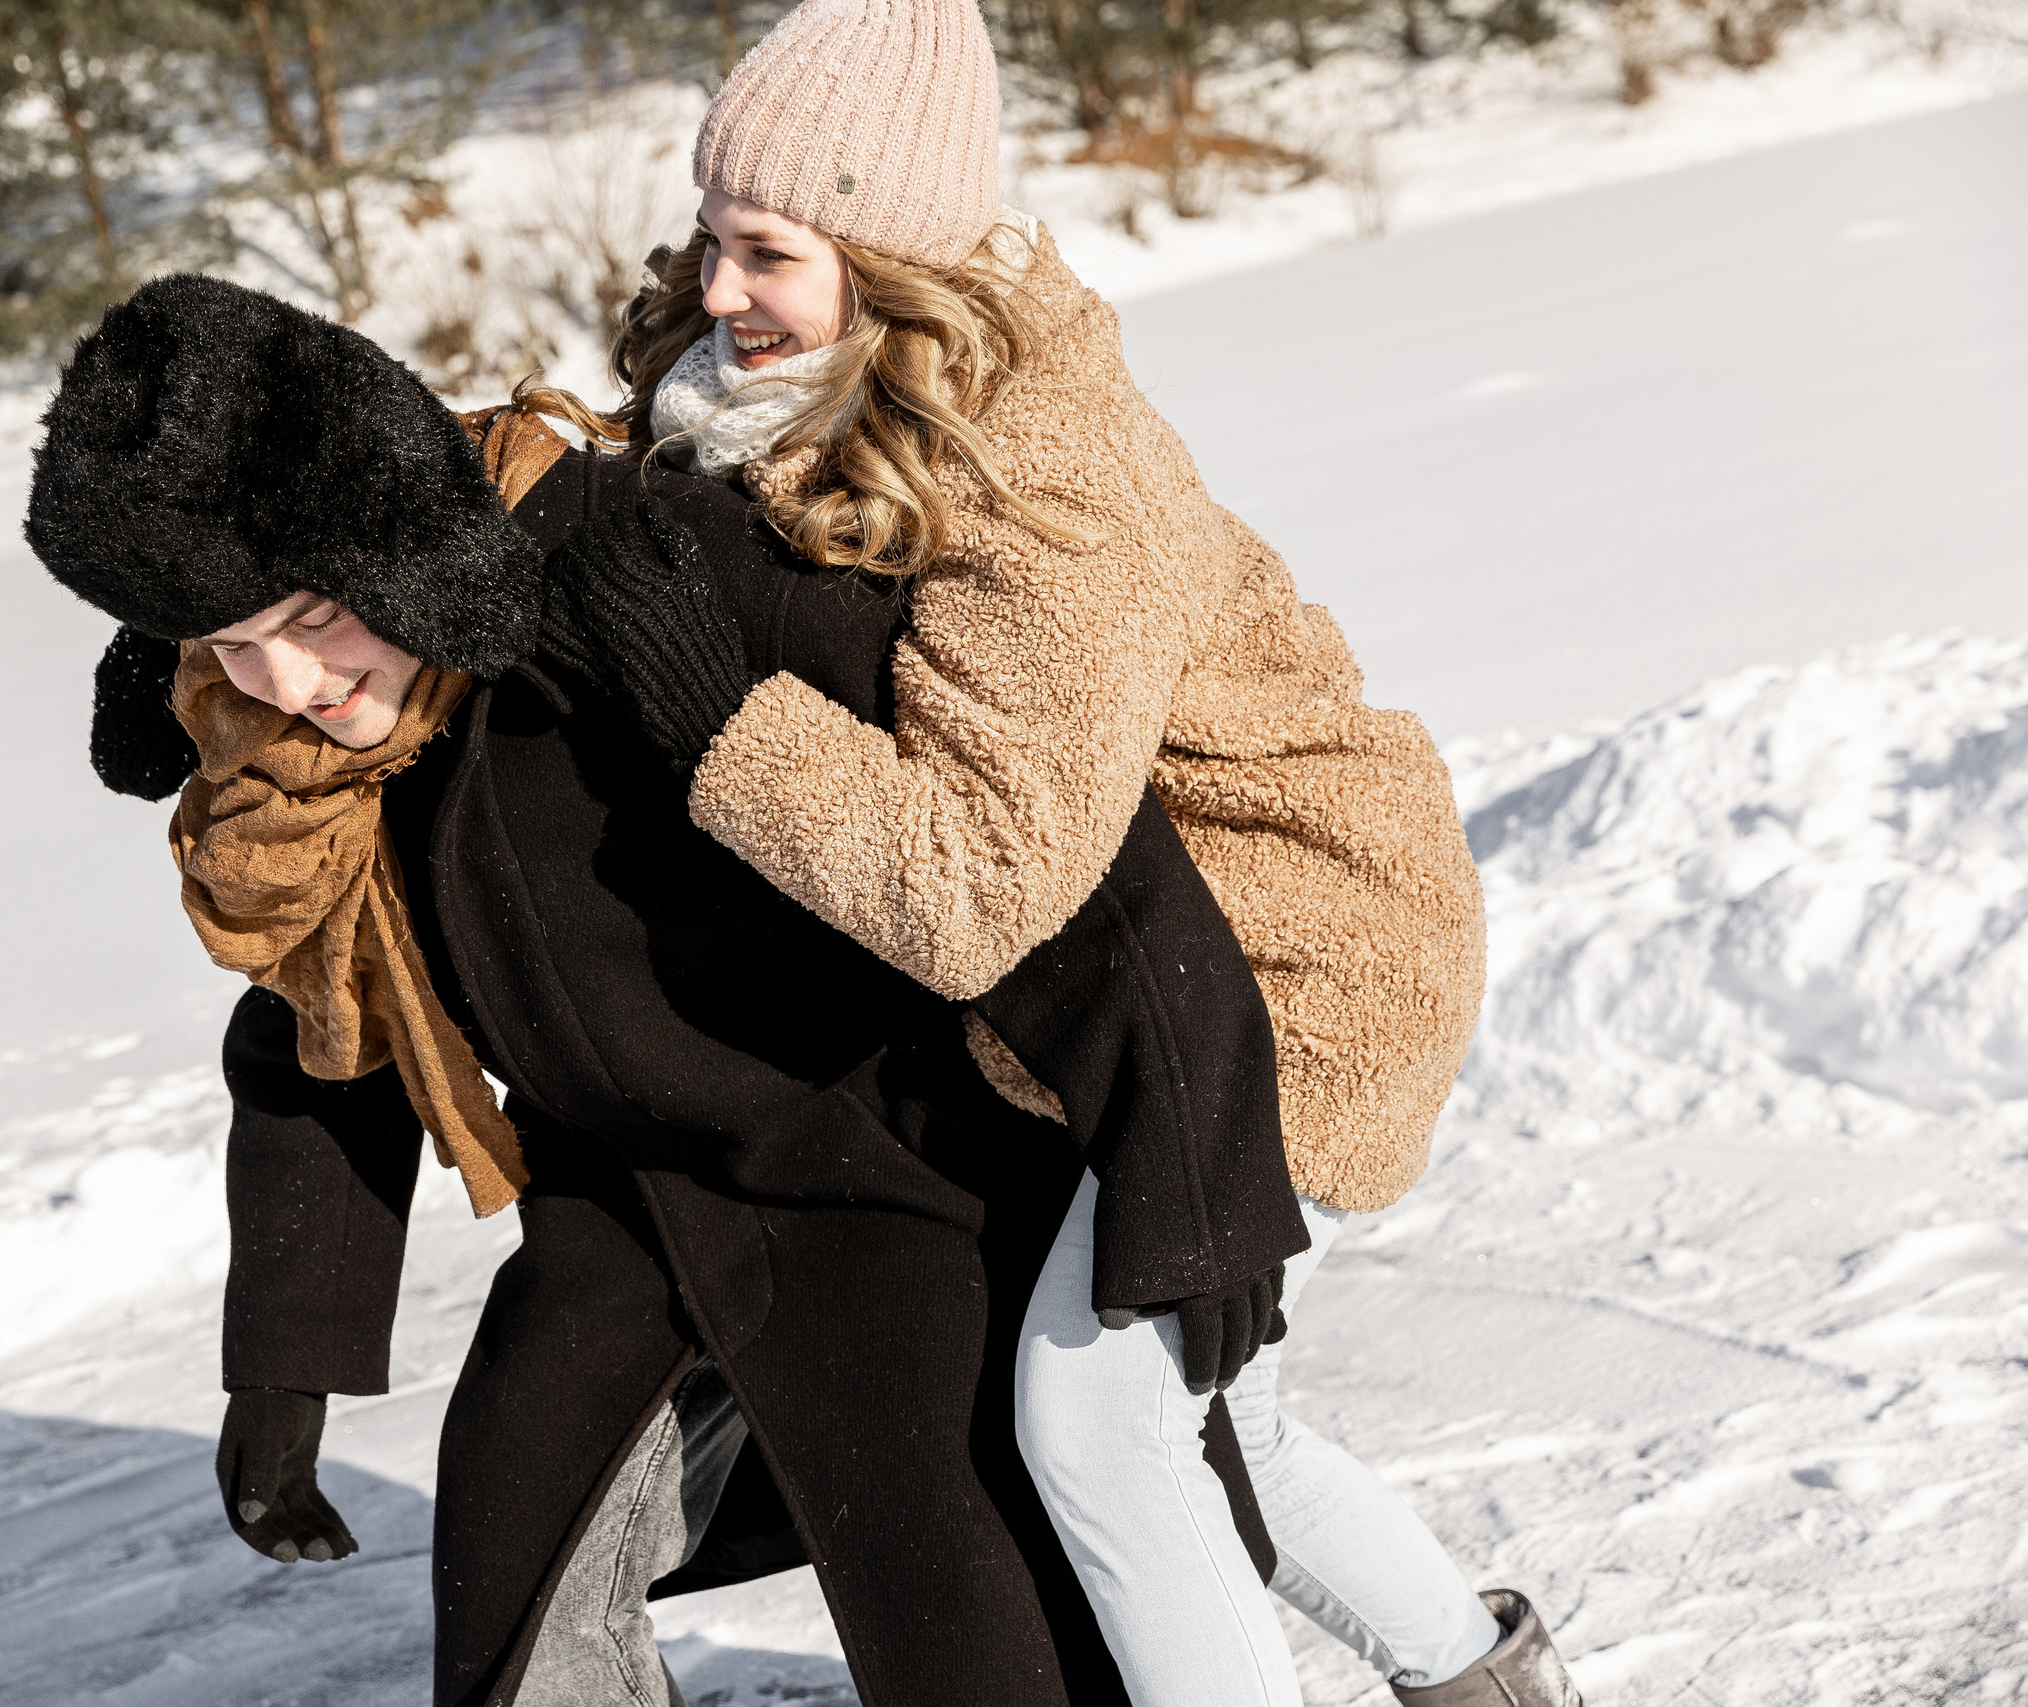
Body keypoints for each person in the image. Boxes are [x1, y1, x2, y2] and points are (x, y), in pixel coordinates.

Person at [23, 273, 1303, 1707]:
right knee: (521, 1640)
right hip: (620, 1224)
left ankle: (1465, 1663)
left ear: (384, 533)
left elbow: (1075, 872)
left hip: (901, 1192)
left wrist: (1204, 1187)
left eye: (312, 615)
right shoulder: (319, 765)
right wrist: (286, 1352)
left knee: (1013, 1654)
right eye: (227, 643)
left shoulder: (662, 563)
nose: (288, 684)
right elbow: (327, 1026)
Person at [530, 2, 1587, 1703]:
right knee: (1192, 1411)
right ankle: (1487, 1682)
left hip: (1289, 958)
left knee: (1095, 1422)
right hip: (1124, 972)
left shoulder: (1050, 474)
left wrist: (712, 717)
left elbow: (972, 881)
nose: (719, 292)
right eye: (712, 237)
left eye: (769, 252)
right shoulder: (791, 395)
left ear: (894, 259)